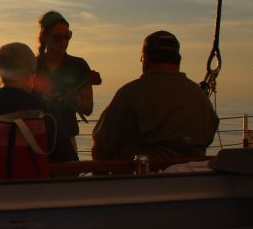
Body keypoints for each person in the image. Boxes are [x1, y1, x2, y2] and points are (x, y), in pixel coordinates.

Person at [91, 31, 219, 160]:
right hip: (195, 177)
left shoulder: (131, 94)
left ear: (146, 58)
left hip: (139, 177)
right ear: (177, 60)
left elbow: (101, 147)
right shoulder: (200, 97)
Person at [0, 42, 71, 162]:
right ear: (29, 75)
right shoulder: (46, 109)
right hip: (34, 179)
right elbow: (68, 161)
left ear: (0, 73)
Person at [32, 11, 97, 160]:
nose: (63, 41)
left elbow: (88, 108)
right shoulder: (33, 65)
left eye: (67, 36)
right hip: (36, 139)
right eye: (57, 37)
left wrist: (74, 100)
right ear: (45, 37)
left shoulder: (78, 65)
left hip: (67, 137)